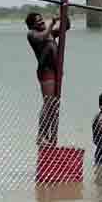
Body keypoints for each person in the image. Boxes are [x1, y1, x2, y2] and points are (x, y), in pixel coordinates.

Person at [26, 11, 66, 145]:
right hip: (46, 71)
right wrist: (52, 24)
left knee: (55, 106)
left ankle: (52, 138)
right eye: (38, 21)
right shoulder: (32, 34)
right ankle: (41, 135)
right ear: (32, 25)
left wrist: (64, 14)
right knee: (48, 103)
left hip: (56, 72)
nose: (42, 22)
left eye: (42, 19)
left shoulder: (50, 33)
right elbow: (42, 38)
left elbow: (65, 27)